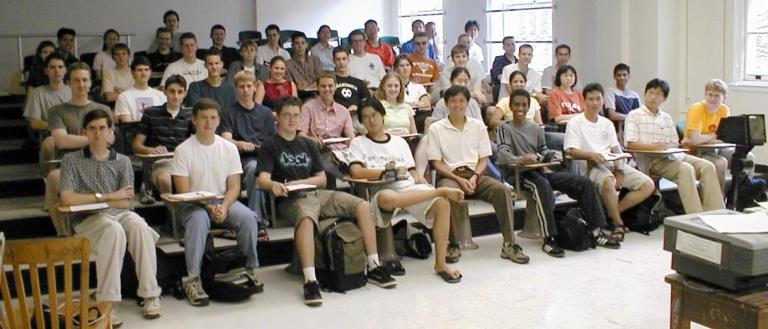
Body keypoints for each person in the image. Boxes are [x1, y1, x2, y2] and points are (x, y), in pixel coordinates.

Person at [257, 97, 396, 306]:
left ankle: (374, 264)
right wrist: (274, 185)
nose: (292, 120)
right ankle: (310, 280)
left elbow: (321, 179)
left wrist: (300, 181)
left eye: (296, 115)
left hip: (318, 194)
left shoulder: (307, 144)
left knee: (362, 206)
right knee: (306, 218)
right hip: (291, 199)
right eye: (287, 115)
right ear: (277, 117)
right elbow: (263, 179)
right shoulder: (270, 145)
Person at [59, 109, 162, 325]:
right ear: (84, 131)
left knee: (139, 226)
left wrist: (94, 198)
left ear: (110, 131)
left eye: (102, 128)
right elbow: (68, 198)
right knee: (112, 230)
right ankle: (108, 303)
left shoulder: (123, 161)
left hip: (120, 213)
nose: (97, 133)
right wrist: (107, 197)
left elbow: (126, 202)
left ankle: (150, 294)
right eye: (92, 129)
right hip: (87, 219)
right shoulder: (71, 160)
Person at [348, 98, 464, 283]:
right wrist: (386, 171)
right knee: (386, 197)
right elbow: (356, 171)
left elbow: (411, 172)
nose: (371, 120)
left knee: (442, 204)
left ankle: (441, 263)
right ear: (361, 121)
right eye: (366, 117)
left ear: (383, 115)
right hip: (383, 190)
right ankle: (437, 191)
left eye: (375, 115)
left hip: (409, 187)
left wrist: (417, 177)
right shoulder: (358, 143)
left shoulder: (399, 142)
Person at [497, 88, 621, 255]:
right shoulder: (505, 128)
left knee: (584, 183)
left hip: (540, 170)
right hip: (519, 174)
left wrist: (548, 156)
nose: (520, 108)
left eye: (524, 105)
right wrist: (520, 159)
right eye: (517, 105)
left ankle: (597, 230)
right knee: (542, 186)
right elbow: (503, 155)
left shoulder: (536, 128)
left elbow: (543, 150)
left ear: (529, 107)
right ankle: (549, 238)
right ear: (510, 107)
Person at [172, 98, 263, 307]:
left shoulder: (229, 148)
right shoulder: (183, 150)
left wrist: (222, 206)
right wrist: (209, 207)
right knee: (198, 220)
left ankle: (249, 267)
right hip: (193, 204)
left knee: (249, 217)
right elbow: (184, 192)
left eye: (213, 118)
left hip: (223, 200)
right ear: (194, 120)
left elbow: (234, 187)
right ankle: (193, 278)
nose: (208, 122)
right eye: (203, 117)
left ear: (218, 120)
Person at [427, 85, 529, 264]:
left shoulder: (478, 126)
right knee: (448, 194)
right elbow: (436, 163)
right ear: (446, 103)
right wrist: (458, 179)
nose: (457, 105)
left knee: (501, 190)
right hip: (450, 176)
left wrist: (474, 177)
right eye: (453, 101)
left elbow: (484, 158)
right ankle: (452, 244)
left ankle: (509, 243)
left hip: (475, 175)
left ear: (467, 103)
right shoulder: (436, 128)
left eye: (461, 101)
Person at [565, 83, 655, 241]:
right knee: (608, 181)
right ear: (584, 100)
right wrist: (591, 155)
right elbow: (571, 150)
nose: (594, 103)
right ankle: (617, 222)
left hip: (613, 163)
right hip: (591, 165)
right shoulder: (575, 122)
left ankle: (609, 214)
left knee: (648, 184)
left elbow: (616, 150)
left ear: (602, 101)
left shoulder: (606, 123)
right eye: (590, 99)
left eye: (598, 99)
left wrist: (620, 169)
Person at [624, 78, 725, 214]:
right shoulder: (634, 115)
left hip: (673, 155)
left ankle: (716, 212)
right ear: (645, 94)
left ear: (664, 98)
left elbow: (675, 142)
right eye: (650, 92)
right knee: (685, 169)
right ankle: (695, 215)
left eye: (658, 94)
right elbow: (631, 143)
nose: (653, 97)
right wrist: (655, 147)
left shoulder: (666, 117)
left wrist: (667, 146)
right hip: (652, 160)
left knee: (708, 166)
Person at [46, 62, 112, 236]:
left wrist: (77, 139)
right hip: (69, 166)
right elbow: (61, 142)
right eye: (76, 80)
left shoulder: (103, 109)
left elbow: (110, 139)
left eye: (85, 80)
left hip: (100, 163)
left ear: (91, 82)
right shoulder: (57, 111)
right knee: (53, 177)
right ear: (68, 82)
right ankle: (63, 235)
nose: (81, 85)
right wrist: (95, 138)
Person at [220, 71, 275, 240]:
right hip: (239, 159)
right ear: (236, 89)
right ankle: (257, 222)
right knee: (253, 169)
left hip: (263, 157)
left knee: (257, 168)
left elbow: (272, 140)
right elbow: (226, 138)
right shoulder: (229, 112)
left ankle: (257, 220)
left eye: (249, 86)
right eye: (241, 87)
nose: (245, 90)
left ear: (255, 88)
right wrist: (240, 143)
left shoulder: (265, 112)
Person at [683, 78, 756, 192]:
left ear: (724, 98)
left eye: (717, 96)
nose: (712, 99)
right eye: (709, 95)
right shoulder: (697, 108)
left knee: (748, 156)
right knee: (720, 163)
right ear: (705, 95)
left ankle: (744, 194)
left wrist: (708, 138)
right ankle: (718, 201)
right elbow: (696, 140)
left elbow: (725, 137)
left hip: (717, 148)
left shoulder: (724, 110)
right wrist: (713, 137)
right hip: (696, 150)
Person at [132, 75, 194, 203]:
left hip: (186, 163)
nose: (176, 96)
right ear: (165, 91)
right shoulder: (151, 113)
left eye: (180, 92)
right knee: (166, 179)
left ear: (185, 93)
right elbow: (136, 145)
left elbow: (197, 142)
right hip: (161, 163)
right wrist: (151, 150)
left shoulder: (190, 115)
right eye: (172, 91)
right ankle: (173, 217)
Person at [114, 56, 167, 123]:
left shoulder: (161, 95)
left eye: (146, 69)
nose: (143, 73)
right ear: (132, 73)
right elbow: (128, 125)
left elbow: (164, 121)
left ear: (150, 72)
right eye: (139, 70)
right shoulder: (123, 97)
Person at [333, 46, 371, 134]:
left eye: (344, 59)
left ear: (348, 60)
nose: (341, 63)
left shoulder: (358, 82)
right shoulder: (331, 81)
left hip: (357, 117)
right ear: (334, 61)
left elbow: (368, 102)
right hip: (338, 117)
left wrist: (358, 108)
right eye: (338, 59)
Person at [286, 32, 322, 99]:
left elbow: (320, 79)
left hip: (318, 92)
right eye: (297, 43)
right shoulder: (287, 64)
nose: (300, 46)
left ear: (307, 45)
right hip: (300, 95)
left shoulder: (315, 60)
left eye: (303, 43)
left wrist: (309, 87)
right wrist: (298, 86)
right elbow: (291, 85)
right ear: (292, 46)